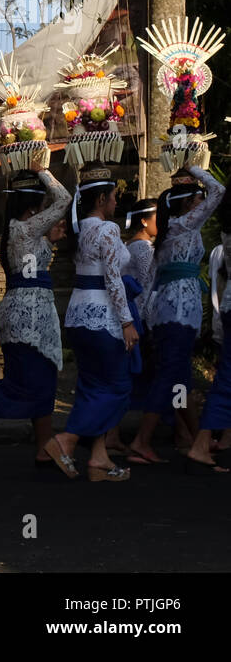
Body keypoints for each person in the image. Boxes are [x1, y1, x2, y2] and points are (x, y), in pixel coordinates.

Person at [0, 163, 70, 465]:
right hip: (30, 313)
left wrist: (50, 241)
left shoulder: (19, 230)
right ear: (34, 205)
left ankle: (43, 447)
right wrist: (44, 170)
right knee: (23, 381)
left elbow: (33, 259)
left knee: (40, 377)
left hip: (25, 309)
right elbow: (64, 199)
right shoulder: (26, 226)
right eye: (42, 205)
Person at [42, 162, 137, 482]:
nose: (115, 202)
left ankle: (98, 459)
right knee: (118, 387)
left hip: (78, 315)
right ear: (101, 200)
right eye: (112, 196)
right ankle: (66, 440)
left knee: (92, 387)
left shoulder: (80, 229)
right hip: (103, 317)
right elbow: (113, 280)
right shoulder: (107, 230)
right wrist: (127, 321)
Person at [130, 167, 225, 463]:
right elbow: (219, 192)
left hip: (168, 310)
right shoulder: (184, 225)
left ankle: (196, 438)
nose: (202, 202)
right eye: (198, 198)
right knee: (170, 375)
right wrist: (197, 165)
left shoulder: (171, 230)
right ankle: (142, 440)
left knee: (180, 377)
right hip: (179, 310)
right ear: (187, 203)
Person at [106, 197, 157, 455]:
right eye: (157, 216)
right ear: (144, 221)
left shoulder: (134, 246)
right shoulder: (143, 249)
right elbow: (148, 288)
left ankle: (116, 433)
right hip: (138, 316)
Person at [186, 215, 231, 472]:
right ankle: (200, 442)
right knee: (225, 379)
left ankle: (218, 438)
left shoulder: (224, 239)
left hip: (226, 309)